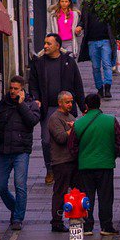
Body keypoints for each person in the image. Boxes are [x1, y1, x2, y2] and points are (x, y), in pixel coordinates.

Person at [0, 76, 41, 230]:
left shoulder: (31, 104)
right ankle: (15, 208)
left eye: (15, 89)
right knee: (0, 186)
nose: (12, 91)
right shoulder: (3, 104)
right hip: (4, 150)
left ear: (22, 90)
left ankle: (18, 218)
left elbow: (32, 121)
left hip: (21, 151)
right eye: (11, 88)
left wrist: (21, 105)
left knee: (20, 186)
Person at [28, 33, 85, 185]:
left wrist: (83, 105)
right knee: (47, 141)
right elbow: (32, 85)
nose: (45, 46)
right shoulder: (39, 63)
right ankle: (50, 169)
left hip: (67, 109)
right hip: (48, 108)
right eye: (45, 43)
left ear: (58, 46)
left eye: (48, 44)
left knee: (69, 138)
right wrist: (36, 99)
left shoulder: (68, 62)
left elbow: (78, 85)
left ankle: (70, 169)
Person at [74, 93, 120, 237]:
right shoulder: (110, 120)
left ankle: (87, 226)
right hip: (105, 165)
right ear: (99, 105)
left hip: (85, 166)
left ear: (86, 106)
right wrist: (112, 154)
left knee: (87, 196)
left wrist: (81, 156)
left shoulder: (79, 123)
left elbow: (72, 146)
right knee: (106, 197)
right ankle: (106, 226)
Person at [45, 91, 78, 233]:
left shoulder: (71, 117)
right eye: (67, 102)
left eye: (71, 102)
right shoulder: (54, 118)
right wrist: (73, 129)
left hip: (73, 160)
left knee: (76, 190)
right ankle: (56, 221)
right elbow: (60, 138)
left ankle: (77, 217)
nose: (70, 105)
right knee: (60, 191)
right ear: (60, 103)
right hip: (61, 161)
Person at [79, 0, 114, 98]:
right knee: (95, 67)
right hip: (92, 41)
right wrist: (79, 26)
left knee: (107, 64)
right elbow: (83, 20)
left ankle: (107, 88)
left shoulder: (107, 3)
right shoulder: (87, 5)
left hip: (105, 40)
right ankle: (100, 88)